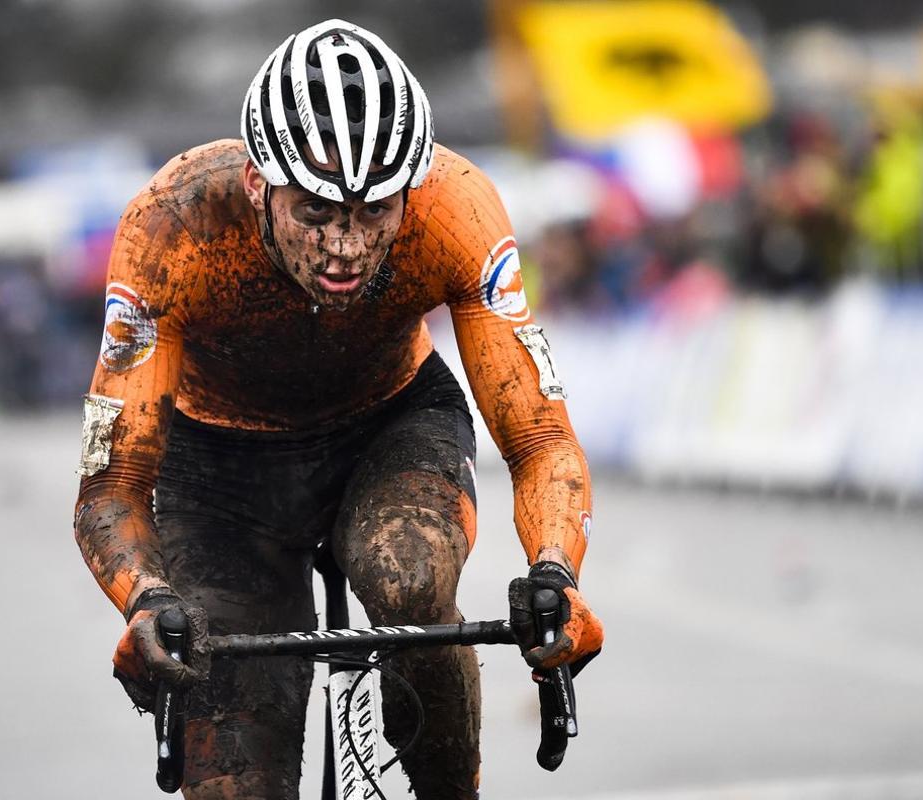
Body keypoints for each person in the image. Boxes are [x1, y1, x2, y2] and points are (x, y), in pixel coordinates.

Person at [74, 19, 603, 799]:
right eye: (317, 214)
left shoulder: (457, 209)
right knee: (236, 760)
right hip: (219, 471)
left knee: (413, 584)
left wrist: (557, 571)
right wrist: (145, 599)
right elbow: (110, 485)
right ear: (258, 182)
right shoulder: (170, 227)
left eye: (373, 212)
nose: (348, 247)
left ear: (412, 189)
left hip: (389, 427)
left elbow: (540, 438)